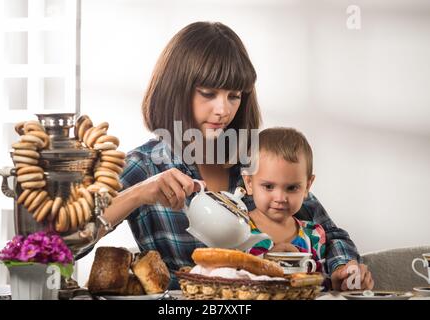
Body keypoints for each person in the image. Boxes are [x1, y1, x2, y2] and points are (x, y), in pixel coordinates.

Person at [101, 21, 370, 290]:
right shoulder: (146, 165)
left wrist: (345, 268)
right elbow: (68, 245)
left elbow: (333, 236)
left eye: (234, 96)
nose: (223, 110)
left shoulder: (258, 160)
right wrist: (138, 194)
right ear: (176, 90)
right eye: (208, 93)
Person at [242, 127, 374, 290]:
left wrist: (340, 280)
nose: (280, 198)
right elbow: (226, 278)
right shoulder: (238, 231)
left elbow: (321, 285)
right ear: (249, 183)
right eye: (269, 186)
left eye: (292, 188)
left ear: (307, 186)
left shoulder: (314, 235)